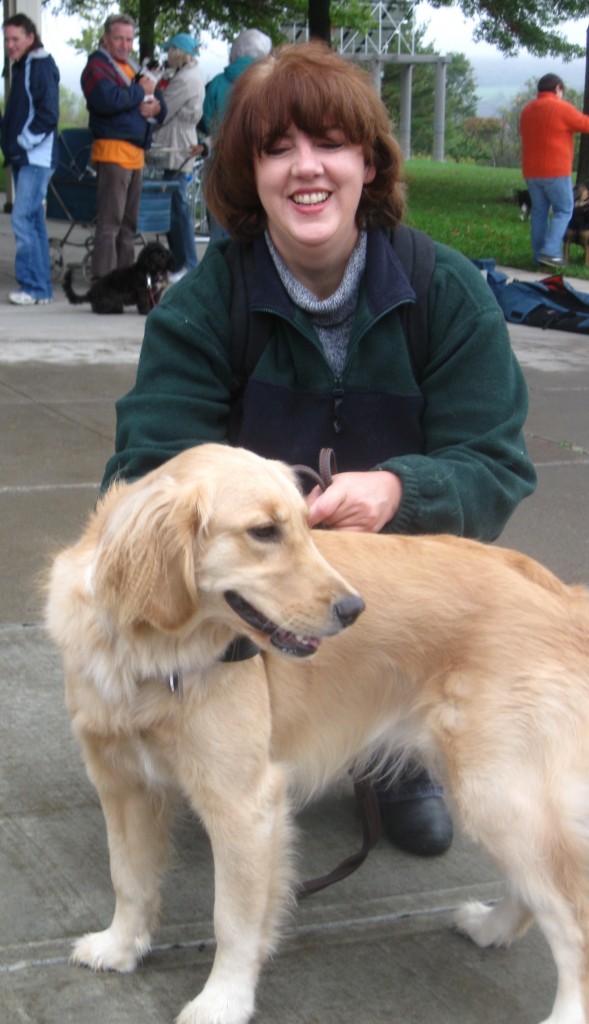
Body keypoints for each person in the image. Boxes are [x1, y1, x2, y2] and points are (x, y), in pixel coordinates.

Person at [102, 42, 537, 858]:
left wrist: (401, 492)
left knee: (423, 801)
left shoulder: (445, 292)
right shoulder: (204, 306)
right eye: (276, 149)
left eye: (330, 144)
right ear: (248, 175)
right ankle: (231, 717)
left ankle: (392, 751)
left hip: (393, 612)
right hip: (250, 608)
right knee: (228, 809)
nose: (306, 169)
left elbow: (495, 463)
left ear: (367, 164)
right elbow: (142, 473)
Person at [81, 13, 167, 280]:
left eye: (129, 39)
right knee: (110, 225)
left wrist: (157, 107)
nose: (125, 44)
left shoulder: (133, 68)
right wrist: (140, 93)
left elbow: (160, 105)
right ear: (106, 38)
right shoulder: (96, 67)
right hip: (113, 153)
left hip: (136, 155)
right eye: (119, 38)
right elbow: (107, 100)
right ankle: (105, 284)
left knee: (129, 226)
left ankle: (127, 283)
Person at [1, 14, 59, 305]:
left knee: (23, 219)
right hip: (27, 157)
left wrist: (22, 142)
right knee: (33, 221)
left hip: (36, 157)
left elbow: (48, 114)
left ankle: (33, 287)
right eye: (6, 39)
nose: (10, 45)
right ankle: (41, 288)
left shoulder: (38, 65)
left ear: (30, 38)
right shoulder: (24, 65)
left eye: (15, 39)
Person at [199, 27, 271, 241]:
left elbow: (205, 121)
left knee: (220, 227)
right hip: (258, 164)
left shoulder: (217, 84)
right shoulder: (270, 85)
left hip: (220, 163)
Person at [519, 73, 589, 269]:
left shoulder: (527, 110)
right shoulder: (561, 108)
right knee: (564, 209)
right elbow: (585, 124)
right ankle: (550, 252)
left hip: (531, 171)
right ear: (558, 88)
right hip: (555, 171)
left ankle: (538, 256)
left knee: (540, 212)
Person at [151, 33, 204, 282]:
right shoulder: (187, 75)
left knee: (177, 208)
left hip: (176, 145)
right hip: (179, 143)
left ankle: (187, 263)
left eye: (169, 50)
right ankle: (180, 263)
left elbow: (162, 110)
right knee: (174, 206)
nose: (167, 55)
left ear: (179, 52)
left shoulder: (185, 79)